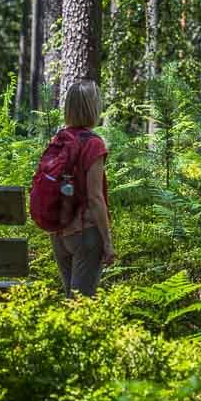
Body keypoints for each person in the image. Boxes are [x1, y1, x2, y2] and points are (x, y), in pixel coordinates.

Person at [51, 79, 114, 296]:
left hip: (59, 231)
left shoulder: (59, 139)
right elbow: (95, 197)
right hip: (85, 233)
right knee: (81, 306)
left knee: (71, 301)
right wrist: (107, 241)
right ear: (93, 107)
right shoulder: (94, 143)